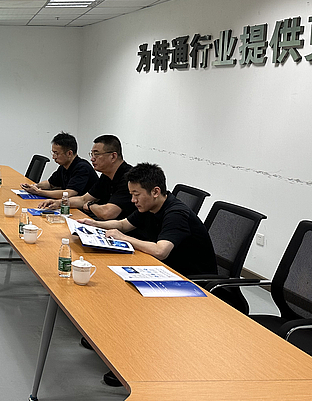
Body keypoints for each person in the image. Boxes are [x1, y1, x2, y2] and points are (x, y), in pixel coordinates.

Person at [78, 162, 217, 388]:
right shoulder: (149, 207)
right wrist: (94, 224)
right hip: (166, 271)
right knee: (114, 282)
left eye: (136, 194)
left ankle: (129, 365)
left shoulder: (176, 213)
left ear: (155, 191)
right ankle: (108, 343)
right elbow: (123, 224)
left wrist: (126, 239)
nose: (133, 200)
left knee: (128, 299)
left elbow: (161, 251)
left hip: (190, 281)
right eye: (131, 194)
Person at [38, 134, 133, 220]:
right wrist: (58, 202)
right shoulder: (106, 175)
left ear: (113, 156)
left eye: (97, 154)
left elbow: (107, 213)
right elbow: (83, 199)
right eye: (92, 154)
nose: (92, 159)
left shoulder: (129, 178)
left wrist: (90, 205)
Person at [20, 132, 97, 199]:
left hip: (84, 208)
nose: (53, 157)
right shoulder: (63, 166)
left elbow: (69, 193)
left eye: (56, 153)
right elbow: (50, 184)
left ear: (69, 153)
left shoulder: (82, 168)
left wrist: (39, 192)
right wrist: (34, 186)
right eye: (53, 153)